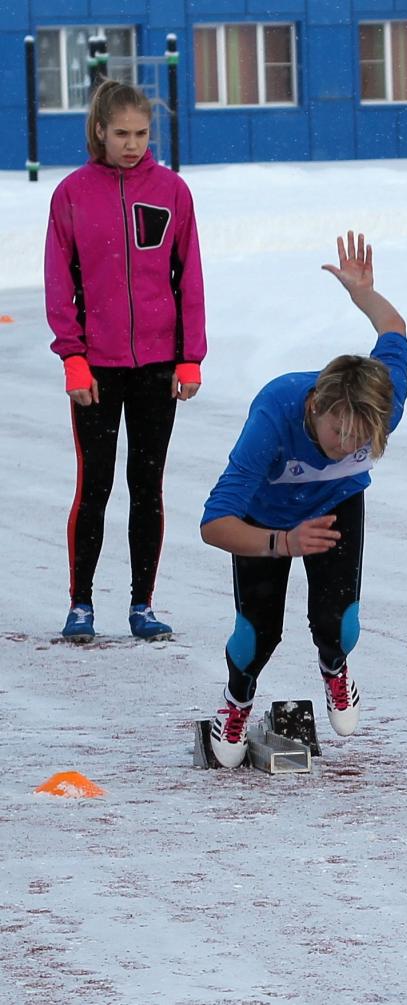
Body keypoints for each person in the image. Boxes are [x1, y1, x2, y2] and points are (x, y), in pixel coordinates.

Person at [200, 233, 407, 768]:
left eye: (362, 440)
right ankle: (237, 701)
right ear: (315, 405)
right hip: (264, 519)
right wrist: (281, 542)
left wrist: (364, 293)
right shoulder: (273, 417)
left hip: (336, 506)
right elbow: (214, 523)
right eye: (339, 434)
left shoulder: (380, 403)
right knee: (258, 633)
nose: (349, 446)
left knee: (338, 623)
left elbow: (394, 329)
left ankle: (334, 667)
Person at [44, 81, 206, 641]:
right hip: (95, 367)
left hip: (157, 367)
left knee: (147, 483)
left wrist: (190, 359)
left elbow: (190, 282)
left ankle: (142, 604)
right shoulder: (71, 194)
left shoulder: (172, 192)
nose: (132, 144)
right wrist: (73, 357)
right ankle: (81, 604)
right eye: (121, 134)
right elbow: (58, 282)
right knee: (95, 485)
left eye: (140, 134)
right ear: (99, 132)